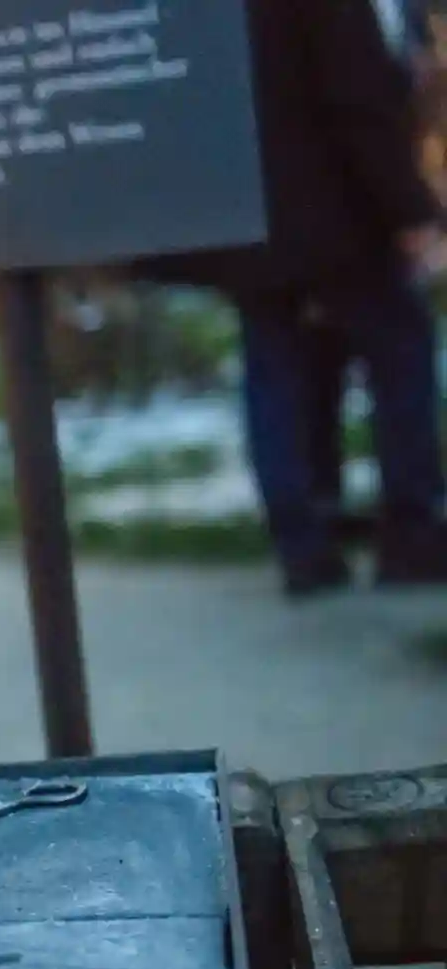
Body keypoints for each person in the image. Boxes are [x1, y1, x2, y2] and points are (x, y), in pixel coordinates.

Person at [144, 0, 447, 595]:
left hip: (249, 213)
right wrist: (409, 208)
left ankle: (302, 543)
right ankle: (411, 531)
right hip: (338, 212)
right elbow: (355, 99)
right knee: (399, 356)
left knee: (276, 367)